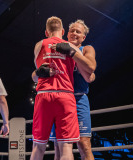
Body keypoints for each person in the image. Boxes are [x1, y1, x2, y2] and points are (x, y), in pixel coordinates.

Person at [33, 20, 96, 160]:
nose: (74, 33)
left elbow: (91, 71)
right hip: (60, 98)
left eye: (78, 32)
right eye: (72, 30)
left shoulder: (86, 49)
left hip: (78, 99)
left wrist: (73, 52)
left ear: (83, 37)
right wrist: (38, 72)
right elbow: (35, 75)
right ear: (65, 33)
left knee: (84, 144)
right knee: (58, 146)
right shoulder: (56, 47)